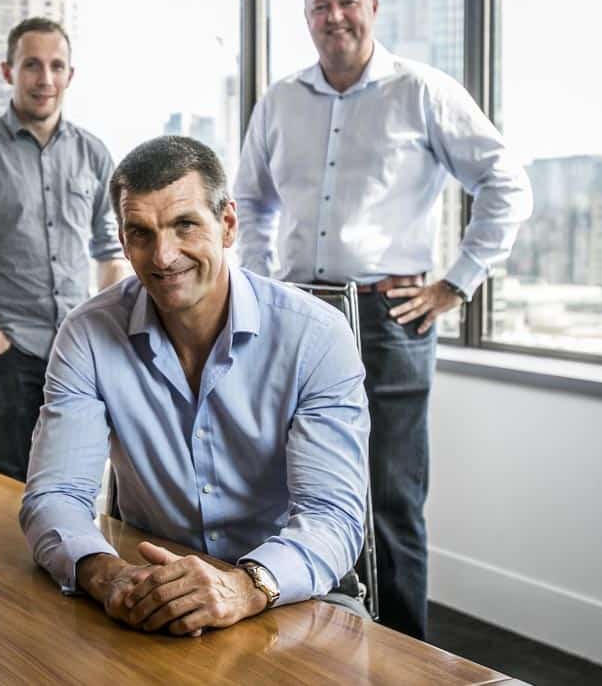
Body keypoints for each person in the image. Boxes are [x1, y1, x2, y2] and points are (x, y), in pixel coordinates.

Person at [233, 0, 532, 638]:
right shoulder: (280, 101)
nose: (334, 18)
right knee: (293, 492)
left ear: (373, 8)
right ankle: (316, 654)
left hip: (387, 318)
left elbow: (506, 182)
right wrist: (263, 282)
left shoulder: (420, 91)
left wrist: (456, 281)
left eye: (347, 4)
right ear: (305, 17)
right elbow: (248, 201)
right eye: (319, 8)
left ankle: (406, 663)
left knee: (391, 500)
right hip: (299, 313)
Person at [21, 136, 370, 636]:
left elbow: (331, 516)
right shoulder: (88, 335)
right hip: (154, 590)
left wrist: (246, 587)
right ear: (122, 240)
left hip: (290, 594)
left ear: (227, 224)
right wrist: (107, 576)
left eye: (184, 225)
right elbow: (55, 494)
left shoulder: (315, 336)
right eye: (141, 233)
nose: (163, 257)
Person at [0, 17, 126, 482]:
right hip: (8, 353)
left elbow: (109, 249)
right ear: (8, 71)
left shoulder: (94, 154)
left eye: (57, 66)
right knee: (3, 487)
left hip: (76, 351)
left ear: (70, 76)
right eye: (32, 65)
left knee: (74, 479)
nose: (45, 78)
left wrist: (99, 327)